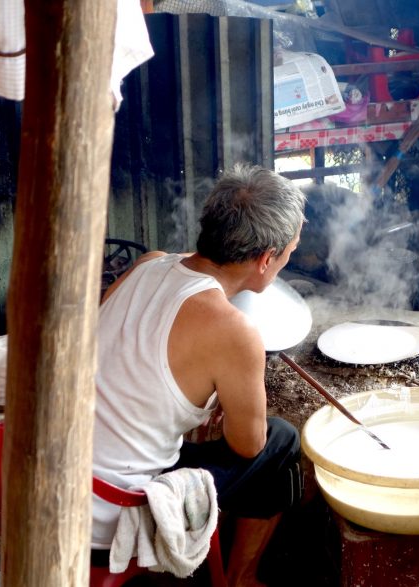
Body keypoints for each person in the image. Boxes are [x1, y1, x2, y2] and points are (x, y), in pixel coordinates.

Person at [91, 163, 306, 586]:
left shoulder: (148, 264)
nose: (284, 262)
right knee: (281, 441)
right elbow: (248, 446)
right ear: (266, 260)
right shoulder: (235, 331)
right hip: (114, 508)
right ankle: (240, 578)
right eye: (288, 254)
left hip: (59, 473)